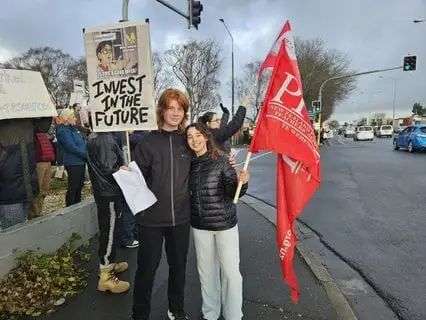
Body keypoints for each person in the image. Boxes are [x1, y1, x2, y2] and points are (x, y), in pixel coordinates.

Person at [131, 88, 192, 320]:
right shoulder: (147, 142)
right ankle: (139, 314)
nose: (175, 113)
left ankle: (176, 309)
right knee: (146, 271)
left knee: (179, 269)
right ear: (162, 110)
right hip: (152, 220)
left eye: (180, 109)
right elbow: (137, 180)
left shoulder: (188, 140)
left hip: (181, 219)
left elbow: (204, 164)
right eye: (171, 108)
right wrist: (127, 173)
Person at [186, 122, 249, 320]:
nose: (194, 140)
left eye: (198, 135)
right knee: (206, 273)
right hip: (200, 226)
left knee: (230, 273)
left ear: (206, 136)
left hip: (225, 225)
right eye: (189, 137)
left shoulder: (222, 160)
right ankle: (210, 313)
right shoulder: (186, 163)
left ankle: (233, 315)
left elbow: (233, 193)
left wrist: (243, 183)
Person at [87, 131, 130, 294]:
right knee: (110, 231)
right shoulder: (105, 138)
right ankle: (106, 276)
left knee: (109, 230)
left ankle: (108, 264)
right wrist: (123, 169)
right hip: (109, 192)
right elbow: (108, 168)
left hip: (105, 190)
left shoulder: (98, 136)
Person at [0, 117, 51, 229]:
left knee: (21, 229)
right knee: (13, 234)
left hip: (27, 187)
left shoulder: (27, 119)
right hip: (8, 191)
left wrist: (46, 106)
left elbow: (43, 127)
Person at [56, 109, 87, 207]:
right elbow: (71, 147)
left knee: (79, 185)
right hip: (73, 162)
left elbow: (81, 141)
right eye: (73, 116)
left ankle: (77, 204)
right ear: (67, 118)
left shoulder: (73, 129)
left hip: (80, 161)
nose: (75, 118)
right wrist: (85, 155)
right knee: (73, 186)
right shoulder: (63, 131)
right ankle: (70, 206)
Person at [31, 126, 56, 217]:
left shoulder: (44, 132)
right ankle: (33, 213)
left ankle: (39, 211)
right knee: (37, 188)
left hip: (48, 160)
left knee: (45, 189)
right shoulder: (32, 132)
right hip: (38, 162)